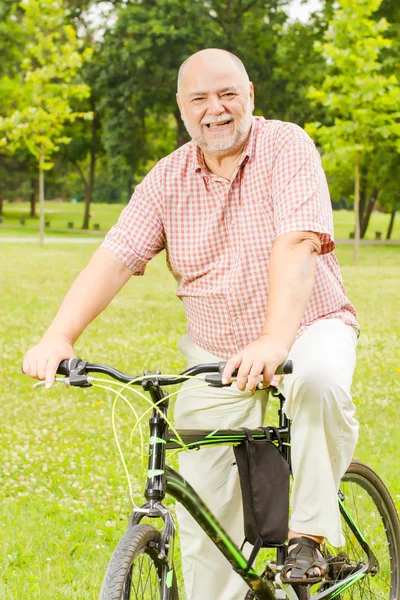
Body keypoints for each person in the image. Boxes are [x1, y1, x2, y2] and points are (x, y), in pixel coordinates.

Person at [23, 48, 359, 600]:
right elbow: (114, 258)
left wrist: (276, 341)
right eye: (199, 98)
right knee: (208, 521)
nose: (215, 109)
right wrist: (59, 336)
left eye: (227, 94)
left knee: (318, 380)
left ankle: (310, 535)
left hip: (306, 327)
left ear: (250, 95)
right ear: (182, 108)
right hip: (217, 353)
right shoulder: (167, 179)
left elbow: (298, 244)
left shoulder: (286, 146)